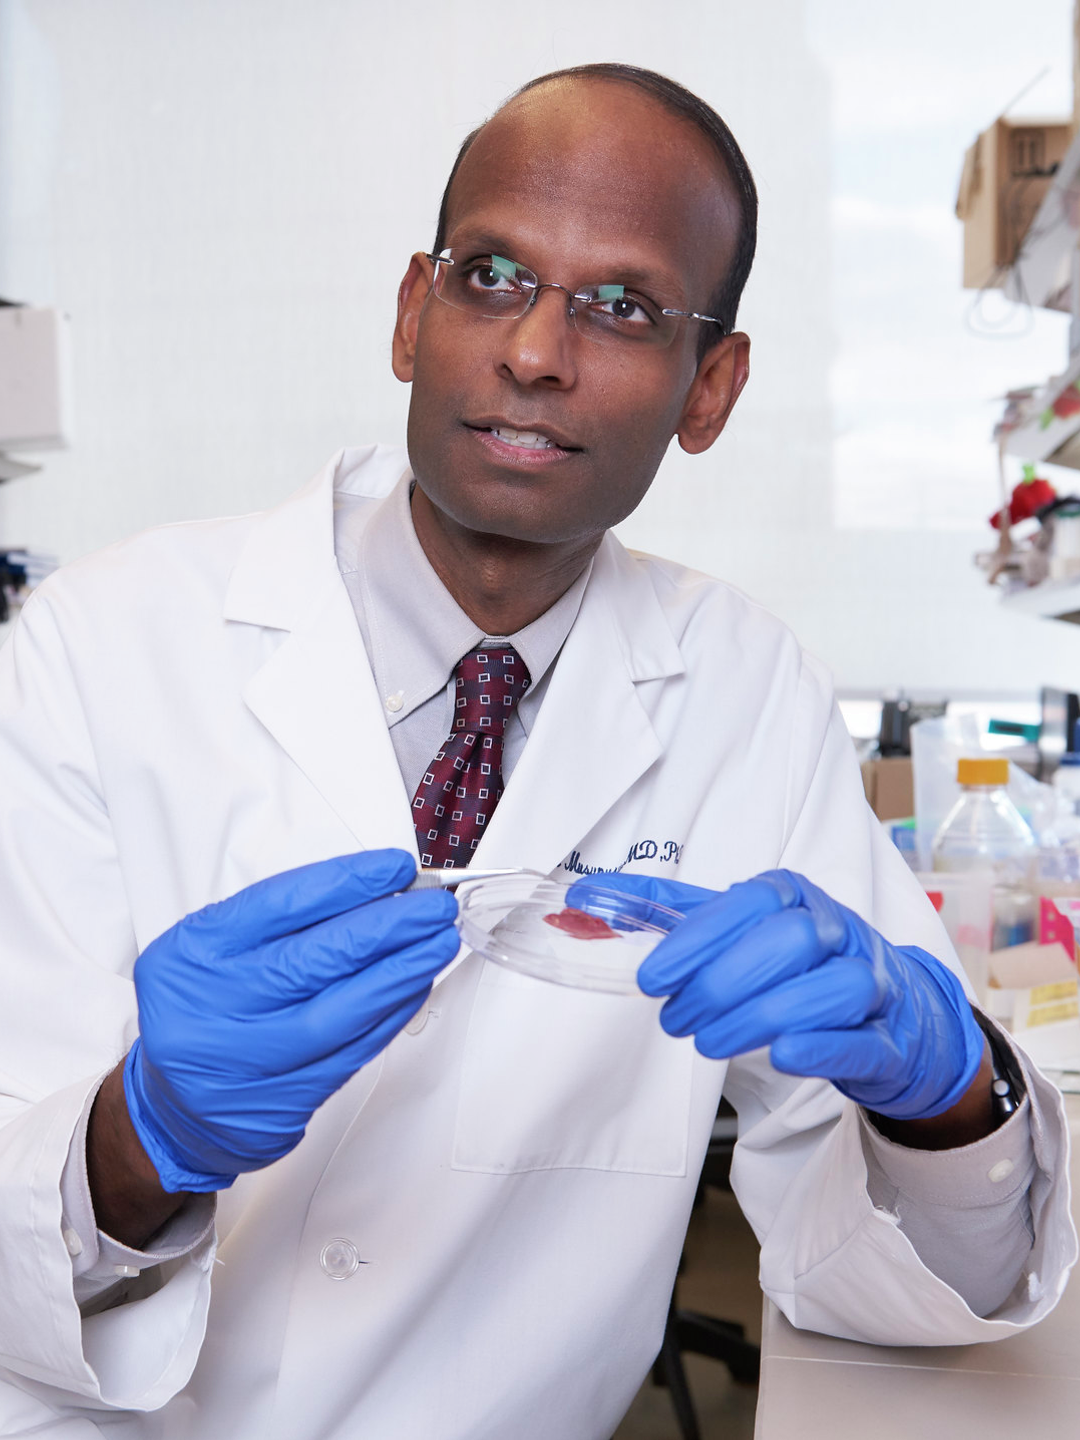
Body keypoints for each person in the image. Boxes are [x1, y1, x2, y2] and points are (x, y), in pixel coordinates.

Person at [0, 62, 1074, 1440]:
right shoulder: (98, 648)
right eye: (492, 275)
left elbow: (865, 1270)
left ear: (713, 388)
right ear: (410, 312)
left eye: (624, 306)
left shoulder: (740, 691)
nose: (533, 352)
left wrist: (950, 1100)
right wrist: (134, 1141)